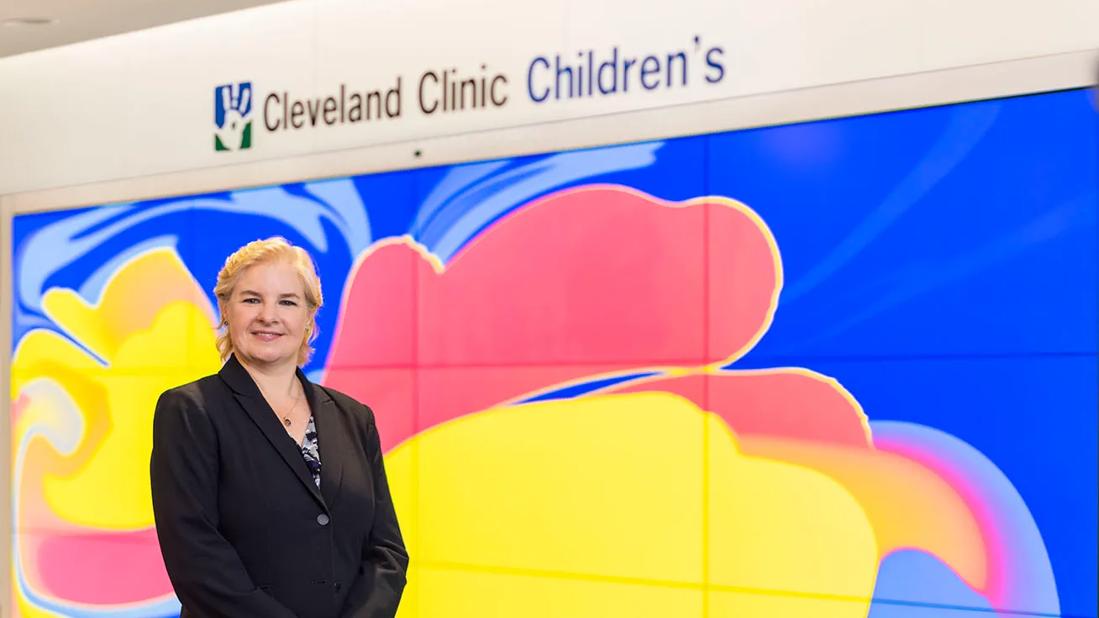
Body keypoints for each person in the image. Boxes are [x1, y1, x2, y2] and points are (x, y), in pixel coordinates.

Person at [150, 237, 408, 618]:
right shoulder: (190, 411)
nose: (268, 315)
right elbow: (197, 559)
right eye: (251, 299)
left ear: (309, 317)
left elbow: (386, 551)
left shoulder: (354, 418)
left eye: (287, 301)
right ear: (226, 309)